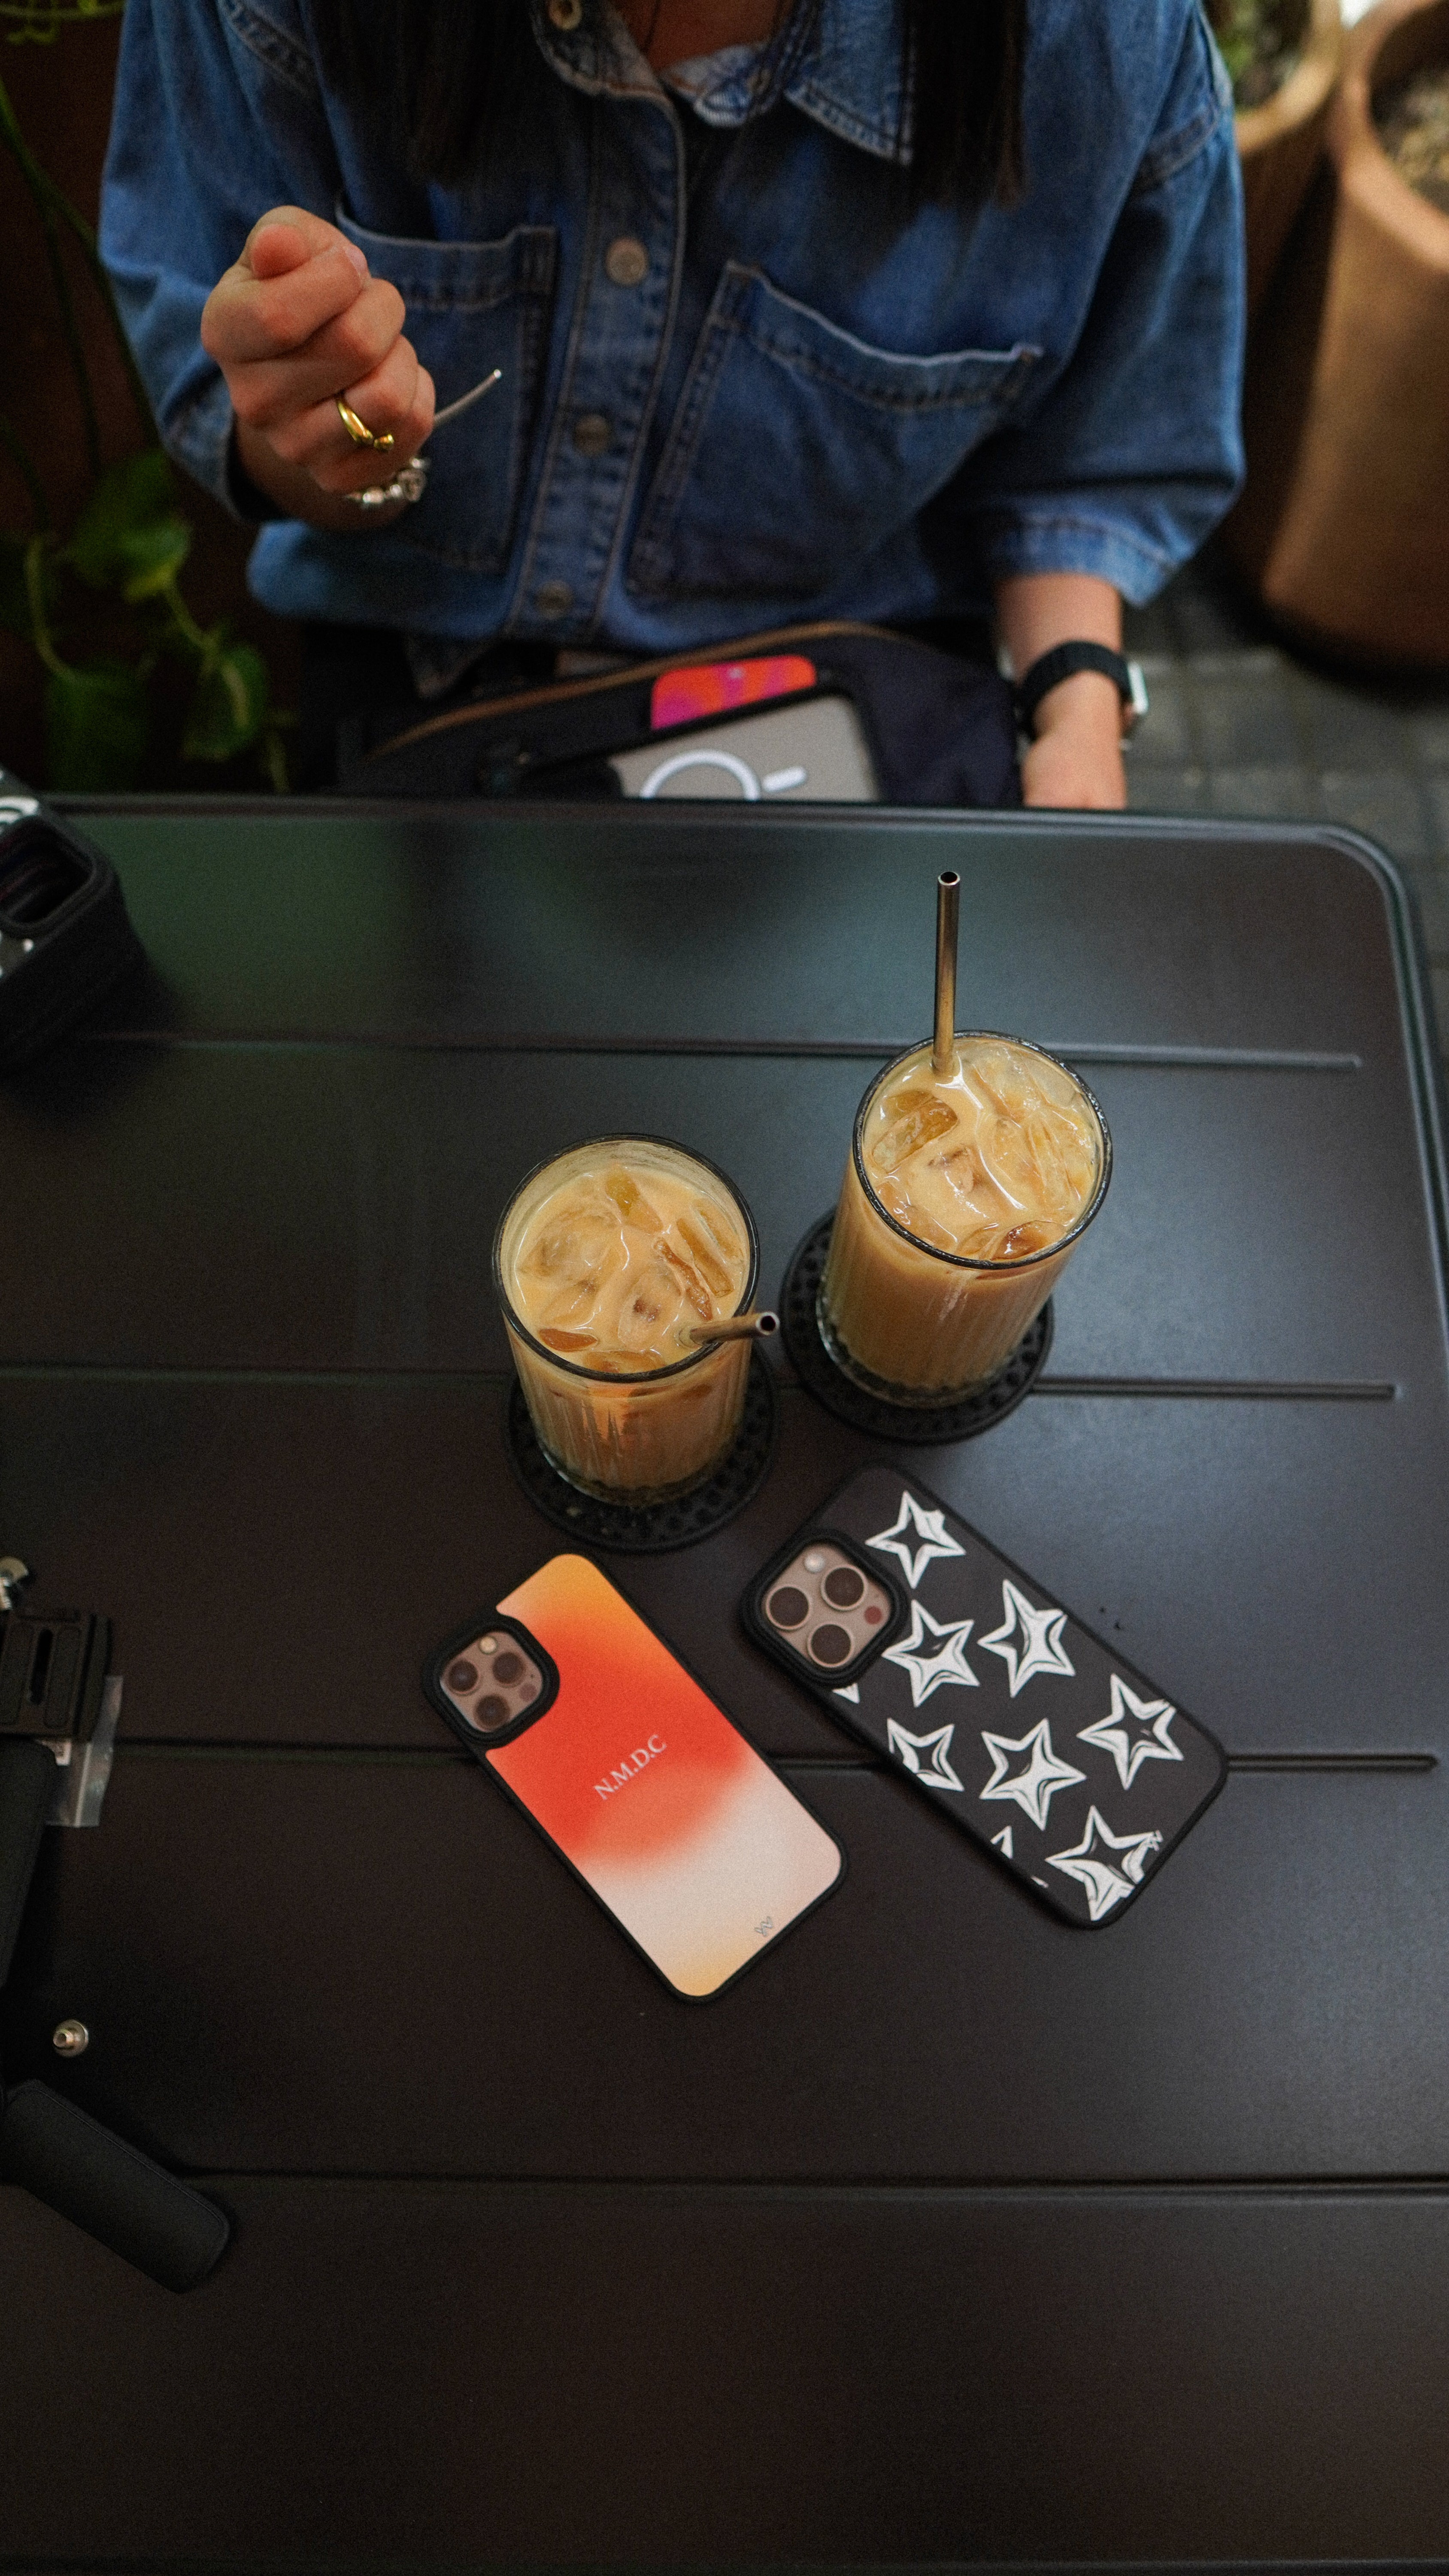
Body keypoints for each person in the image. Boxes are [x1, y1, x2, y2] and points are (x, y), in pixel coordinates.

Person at [99, 0, 1244, 805]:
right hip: (426, 691)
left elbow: (1083, 467)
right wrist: (343, 441)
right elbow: (280, 432)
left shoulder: (1099, 41)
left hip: (860, 683)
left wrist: (1075, 722)